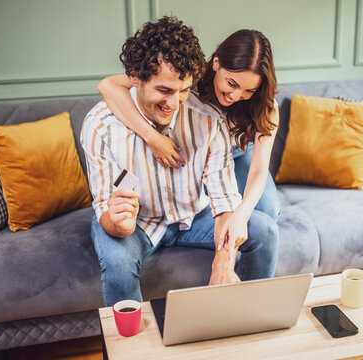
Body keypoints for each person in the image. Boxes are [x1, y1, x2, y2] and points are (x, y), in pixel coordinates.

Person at [80, 16, 278, 306]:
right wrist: (119, 224)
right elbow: (105, 208)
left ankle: (249, 318)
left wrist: (223, 261)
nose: (174, 103)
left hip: (194, 212)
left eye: (184, 91)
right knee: (118, 262)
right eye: (164, 90)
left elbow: (224, 200)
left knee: (265, 226)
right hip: (140, 222)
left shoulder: (209, 120)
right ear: (136, 76)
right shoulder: (101, 126)